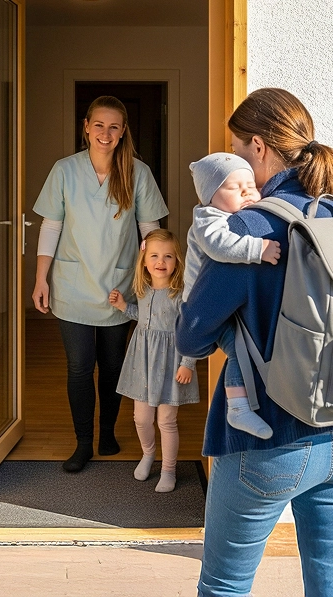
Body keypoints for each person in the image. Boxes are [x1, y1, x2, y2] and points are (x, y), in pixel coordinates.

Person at [176, 87, 333, 597]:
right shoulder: (330, 214)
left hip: (266, 439)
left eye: (237, 149)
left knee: (225, 585)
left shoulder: (249, 227)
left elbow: (192, 334)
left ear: (259, 146)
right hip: (332, 428)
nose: (237, 161)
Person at [32, 95, 169, 473]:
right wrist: (41, 278)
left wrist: (156, 282)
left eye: (113, 127)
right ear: (86, 128)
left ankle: (107, 433)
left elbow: (151, 232)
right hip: (72, 283)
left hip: (119, 285)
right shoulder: (64, 170)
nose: (105, 134)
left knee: (112, 366)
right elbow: (51, 226)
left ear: (123, 131)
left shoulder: (137, 173)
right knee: (79, 367)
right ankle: (82, 443)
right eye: (98, 125)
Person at [185, 152, 281, 439]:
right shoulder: (207, 217)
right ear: (210, 197)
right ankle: (237, 408)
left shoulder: (235, 212)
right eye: (234, 187)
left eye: (251, 186)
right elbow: (219, 246)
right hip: (199, 303)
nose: (246, 192)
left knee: (244, 346)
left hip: (222, 303)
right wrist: (258, 249)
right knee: (239, 350)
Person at [109, 229, 198, 493]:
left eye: (168, 256)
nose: (161, 261)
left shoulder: (181, 294)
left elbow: (192, 330)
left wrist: (188, 363)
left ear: (177, 261)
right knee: (141, 418)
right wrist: (123, 307)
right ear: (145, 260)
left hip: (171, 361)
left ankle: (169, 469)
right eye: (155, 255)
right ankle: (148, 454)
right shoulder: (143, 289)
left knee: (166, 421)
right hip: (143, 361)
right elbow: (146, 317)